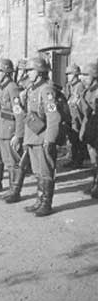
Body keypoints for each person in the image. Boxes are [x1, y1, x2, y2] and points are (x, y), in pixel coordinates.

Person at [22, 57, 61, 216]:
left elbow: (54, 116)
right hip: (33, 136)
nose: (28, 73)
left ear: (39, 72)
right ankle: (39, 200)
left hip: (43, 137)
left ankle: (46, 203)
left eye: (31, 70)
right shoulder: (33, 89)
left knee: (45, 172)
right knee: (38, 171)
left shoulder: (46, 90)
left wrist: (50, 139)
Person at [0, 59, 25, 197]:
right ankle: (7, 188)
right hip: (2, 128)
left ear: (6, 72)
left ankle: (14, 191)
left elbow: (19, 113)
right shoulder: (1, 87)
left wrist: (18, 134)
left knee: (12, 162)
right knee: (1, 158)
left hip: (10, 130)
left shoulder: (12, 87)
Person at [79, 62, 98, 199]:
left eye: (86, 75)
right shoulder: (87, 91)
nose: (82, 78)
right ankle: (95, 184)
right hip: (90, 131)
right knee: (94, 161)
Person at [63, 63, 87, 168]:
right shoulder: (70, 86)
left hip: (78, 117)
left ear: (75, 74)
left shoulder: (79, 86)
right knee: (72, 139)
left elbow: (81, 103)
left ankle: (79, 160)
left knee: (78, 139)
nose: (68, 76)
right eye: (67, 74)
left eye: (70, 74)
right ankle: (73, 159)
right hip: (71, 117)